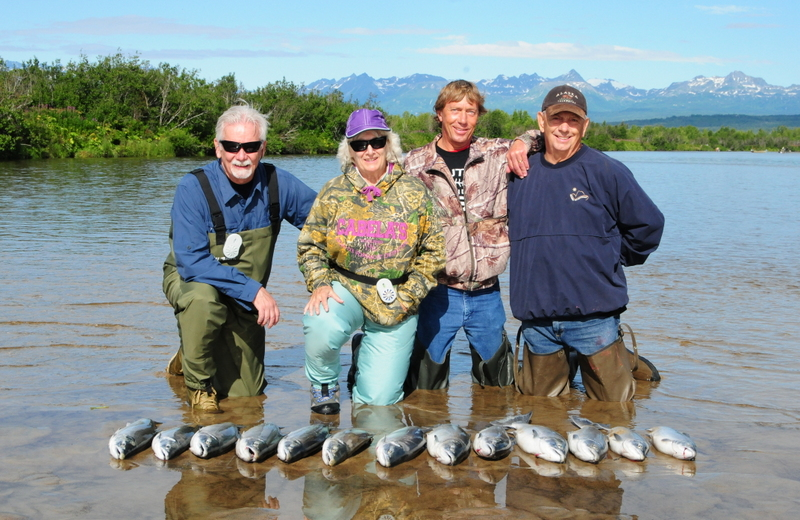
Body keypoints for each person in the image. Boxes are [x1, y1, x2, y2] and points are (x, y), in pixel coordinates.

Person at [507, 85, 665, 401]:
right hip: (537, 319)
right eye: (556, 118)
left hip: (595, 319)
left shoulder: (607, 171)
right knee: (542, 416)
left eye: (573, 120)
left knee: (613, 413)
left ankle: (627, 361)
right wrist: (517, 143)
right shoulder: (518, 172)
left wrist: (608, 256)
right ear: (541, 121)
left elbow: (649, 225)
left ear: (585, 125)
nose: (564, 127)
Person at [163, 104, 316, 413]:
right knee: (204, 301)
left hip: (244, 300)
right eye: (232, 146)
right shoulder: (192, 188)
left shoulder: (279, 183)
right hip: (192, 282)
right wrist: (255, 291)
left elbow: (326, 223)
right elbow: (191, 263)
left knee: (247, 397)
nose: (241, 155)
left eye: (250, 146)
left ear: (263, 148)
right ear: (218, 148)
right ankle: (198, 386)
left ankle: (188, 354)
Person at [298, 109, 445, 414]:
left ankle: (363, 360)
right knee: (320, 322)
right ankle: (324, 383)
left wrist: (409, 297)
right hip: (346, 289)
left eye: (377, 141)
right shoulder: (332, 191)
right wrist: (320, 283)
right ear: (348, 150)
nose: (369, 151)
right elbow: (310, 245)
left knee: (376, 407)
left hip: (396, 299)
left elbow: (434, 253)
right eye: (359, 144)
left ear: (389, 144)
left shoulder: (415, 192)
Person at [402, 79, 542, 390]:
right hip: (437, 293)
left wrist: (521, 141)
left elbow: (543, 137)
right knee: (427, 389)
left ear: (479, 115)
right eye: (455, 110)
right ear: (440, 114)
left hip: (487, 293)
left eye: (471, 111)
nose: (462, 119)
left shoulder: (496, 153)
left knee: (499, 387)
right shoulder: (413, 164)